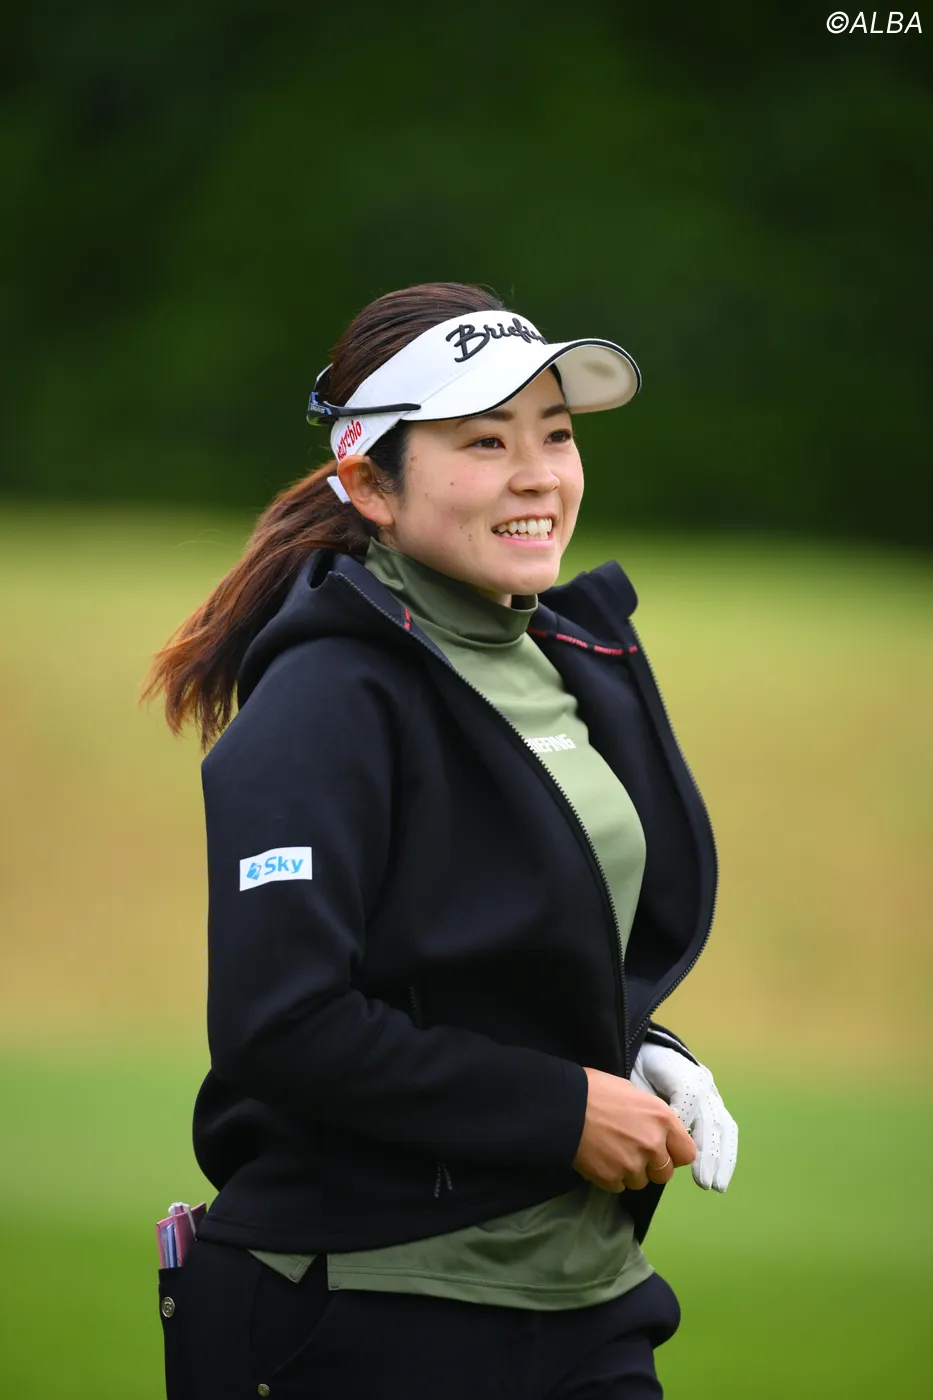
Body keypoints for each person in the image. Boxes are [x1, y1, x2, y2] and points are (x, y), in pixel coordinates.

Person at [144, 281, 738, 1399]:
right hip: (368, 1310)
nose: (539, 475)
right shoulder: (323, 698)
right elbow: (285, 1025)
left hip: (590, 1302)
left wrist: (635, 1048)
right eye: (484, 441)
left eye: (555, 434)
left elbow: (477, 952)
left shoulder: (568, 661)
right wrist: (563, 1108)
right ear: (371, 482)